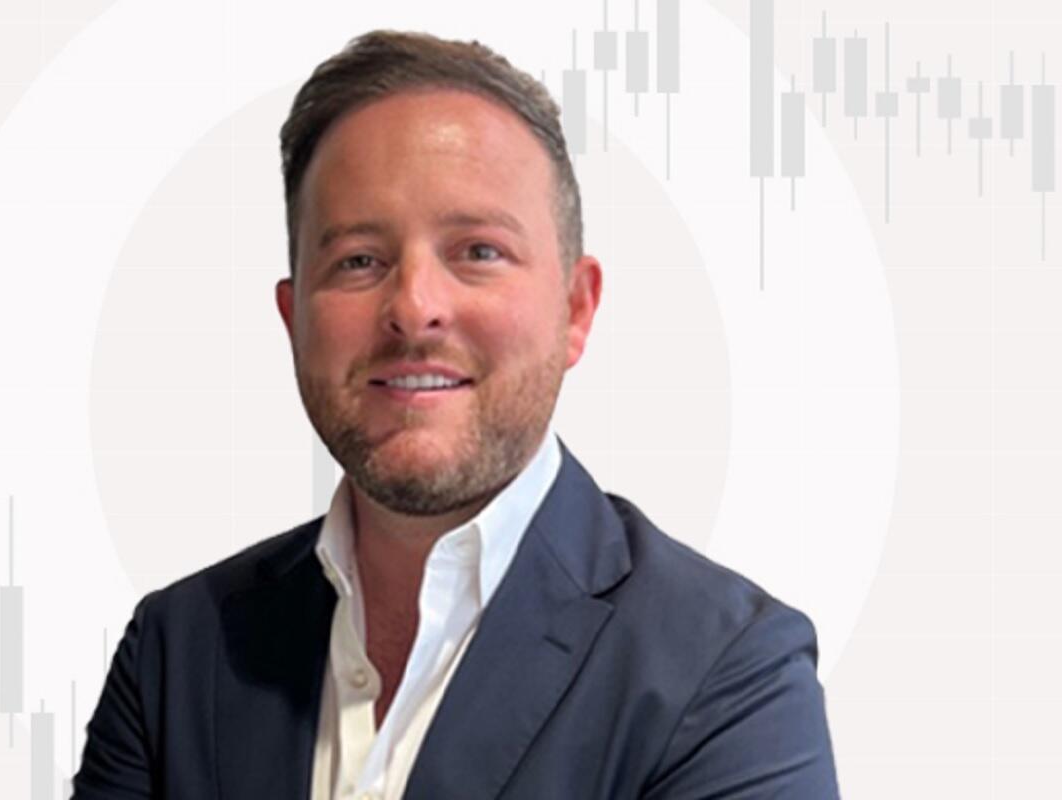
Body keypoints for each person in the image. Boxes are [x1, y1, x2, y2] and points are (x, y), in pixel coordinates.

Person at [73, 30, 838, 800]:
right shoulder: (177, 651)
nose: (414, 308)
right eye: (359, 260)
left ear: (576, 310)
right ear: (292, 317)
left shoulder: (731, 674)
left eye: (478, 252)